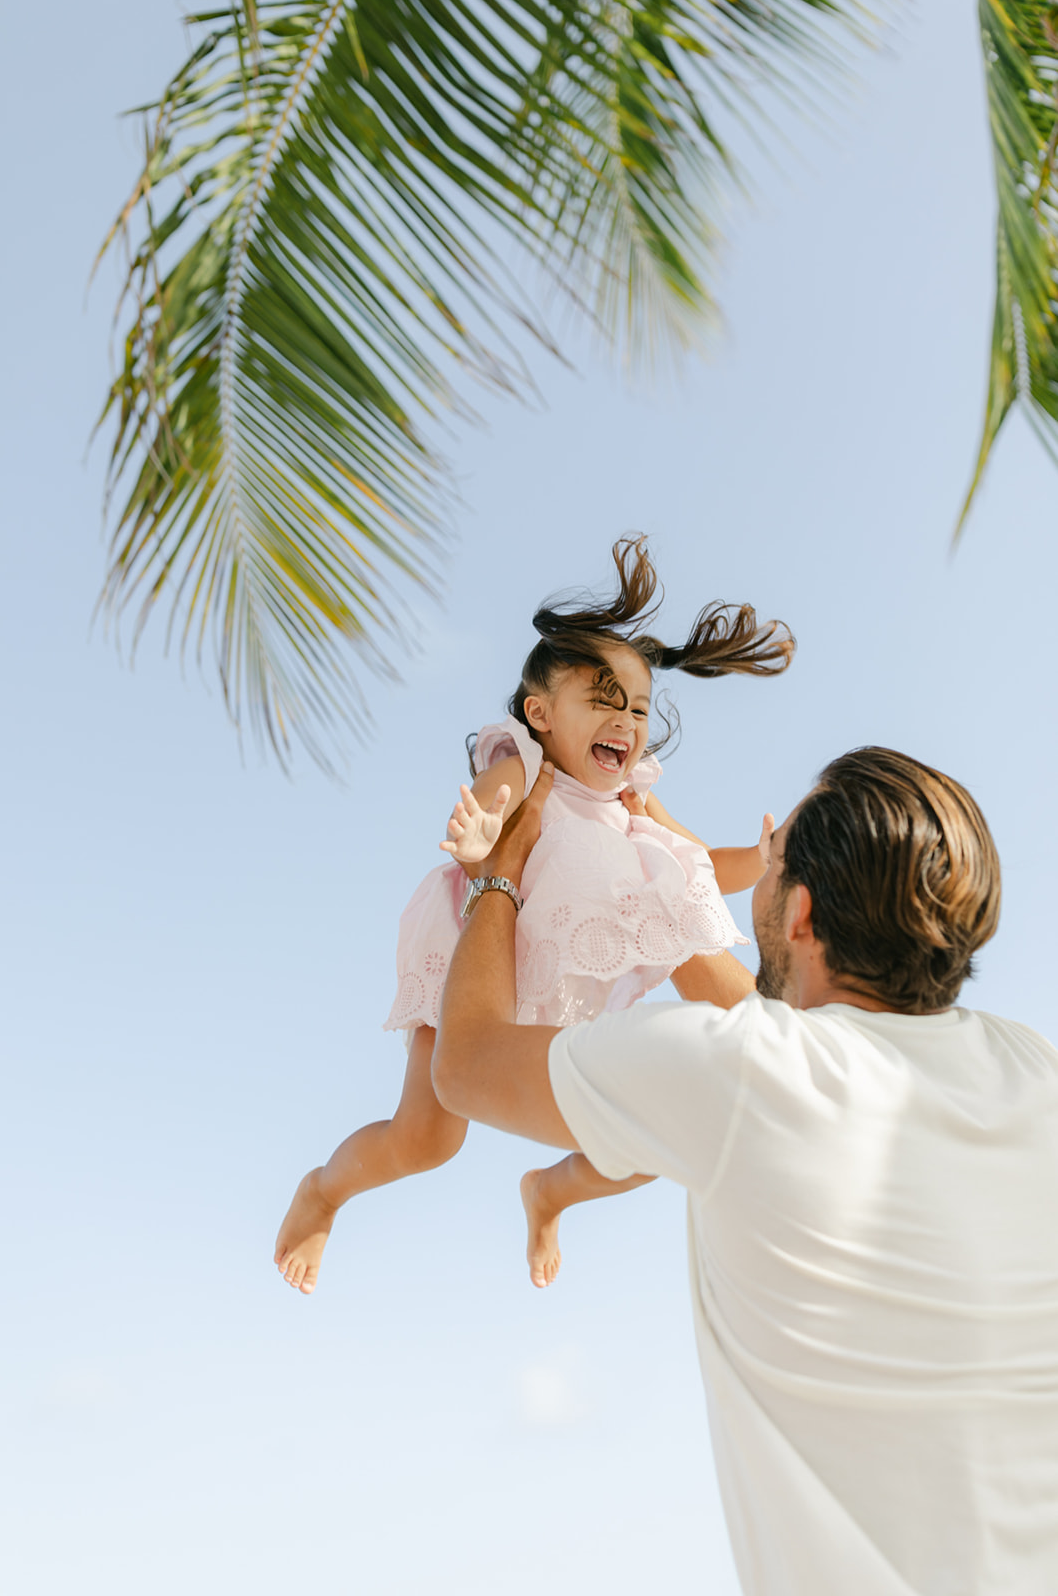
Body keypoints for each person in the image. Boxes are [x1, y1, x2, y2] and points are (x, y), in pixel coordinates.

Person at [431, 747, 1058, 1595]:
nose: (755, 872)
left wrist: (501, 873)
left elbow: (465, 1064)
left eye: (771, 862)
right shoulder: (1031, 1066)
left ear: (798, 914)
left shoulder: (738, 1078)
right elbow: (760, 1018)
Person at [274, 538, 792, 1293]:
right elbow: (491, 805)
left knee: (650, 1140)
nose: (626, 721)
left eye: (639, 708)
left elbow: (702, 862)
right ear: (541, 713)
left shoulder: (632, 799)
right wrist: (483, 833)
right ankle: (323, 1189)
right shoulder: (522, 760)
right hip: (476, 963)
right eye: (604, 700)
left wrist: (763, 857)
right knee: (424, 1141)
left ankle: (551, 1191)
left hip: (576, 964)